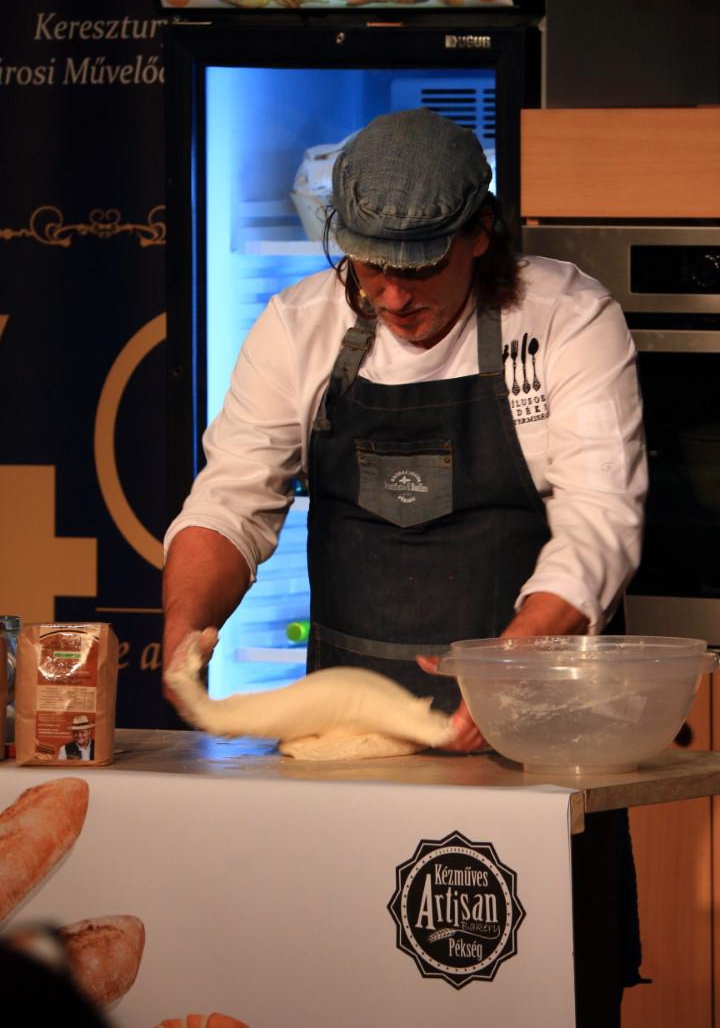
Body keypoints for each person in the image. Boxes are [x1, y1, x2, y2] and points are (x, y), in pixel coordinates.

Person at [163, 108, 648, 1024]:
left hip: (532, 739)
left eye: (417, 268)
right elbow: (230, 502)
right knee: (352, 987)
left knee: (539, 989)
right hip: (350, 758)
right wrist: (188, 627)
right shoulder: (298, 328)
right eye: (367, 267)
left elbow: (602, 520)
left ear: (480, 234)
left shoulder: (564, 318)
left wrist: (505, 673)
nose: (389, 297)